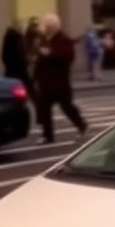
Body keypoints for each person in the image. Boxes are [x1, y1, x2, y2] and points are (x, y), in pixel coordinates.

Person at [33, 14, 87, 144]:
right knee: (44, 108)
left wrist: (50, 54)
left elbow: (68, 57)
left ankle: (81, 125)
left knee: (67, 107)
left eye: (46, 26)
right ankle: (47, 135)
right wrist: (35, 77)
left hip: (60, 82)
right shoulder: (44, 39)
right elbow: (39, 61)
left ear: (52, 27)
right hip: (46, 82)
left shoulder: (64, 39)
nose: (44, 28)